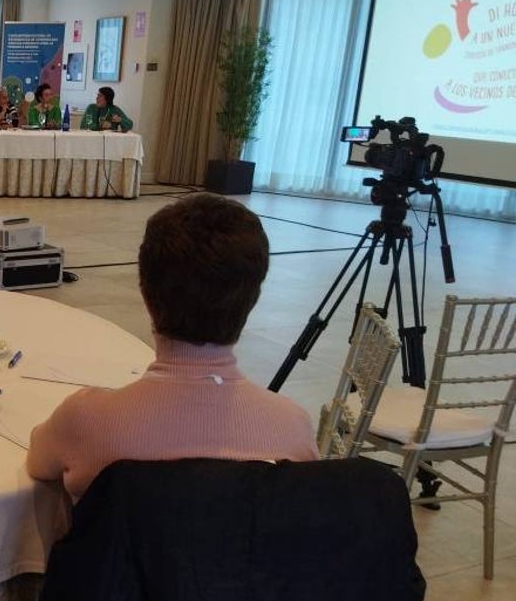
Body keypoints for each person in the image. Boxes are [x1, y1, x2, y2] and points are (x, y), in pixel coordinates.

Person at [26, 194, 318, 502]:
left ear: (145, 293)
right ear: (254, 298)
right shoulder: (292, 428)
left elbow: (38, 462)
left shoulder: (86, 419)